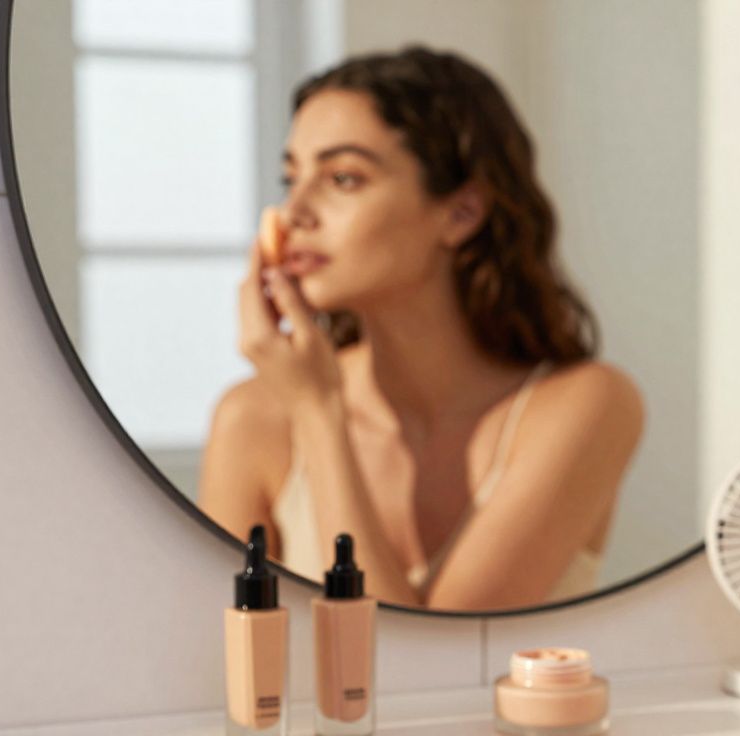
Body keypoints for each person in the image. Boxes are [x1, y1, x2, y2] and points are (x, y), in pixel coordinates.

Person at [198, 46, 644, 611]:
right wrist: (313, 406)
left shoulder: (585, 407)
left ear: (461, 213)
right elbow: (225, 670)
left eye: (342, 178)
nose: (294, 213)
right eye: (291, 177)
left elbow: (423, 669)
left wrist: (318, 412)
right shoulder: (253, 421)